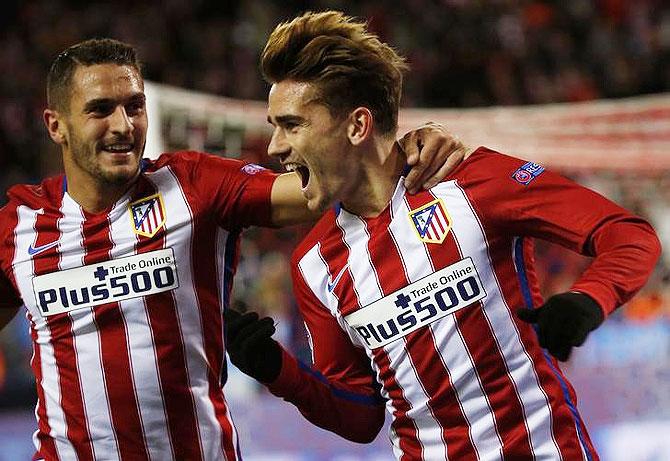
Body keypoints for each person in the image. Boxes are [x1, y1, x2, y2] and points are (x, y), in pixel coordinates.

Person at [0, 38, 468, 460]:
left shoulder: (192, 185)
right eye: (101, 109)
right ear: (55, 125)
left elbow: (319, 188)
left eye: (134, 106)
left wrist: (398, 149)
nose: (124, 125)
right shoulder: (19, 226)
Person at [224, 10, 662, 460]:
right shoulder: (314, 263)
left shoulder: (475, 181)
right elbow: (360, 417)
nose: (275, 146)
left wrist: (588, 299)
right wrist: (278, 370)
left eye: (292, 125)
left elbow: (628, 234)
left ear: (357, 125)